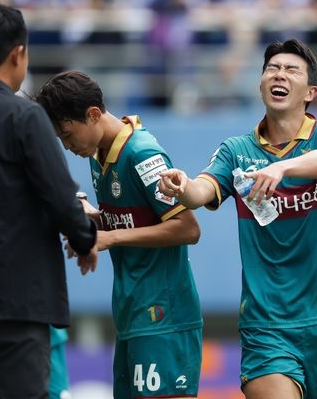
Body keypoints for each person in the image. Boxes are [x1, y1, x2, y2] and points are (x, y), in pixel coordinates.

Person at [158, 38, 317, 399]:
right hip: (266, 324)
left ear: (310, 91)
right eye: (272, 68)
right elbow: (202, 191)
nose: (279, 75)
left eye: (291, 70)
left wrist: (282, 167)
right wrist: (183, 186)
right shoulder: (236, 151)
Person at [0, 4, 97, 399]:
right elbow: (61, 197)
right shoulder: (24, 116)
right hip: (16, 304)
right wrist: (84, 240)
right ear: (18, 54)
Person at [35, 70, 203, 399]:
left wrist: (108, 238)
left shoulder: (142, 154)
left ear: (93, 114)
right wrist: (93, 224)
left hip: (163, 313)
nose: (68, 147)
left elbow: (188, 227)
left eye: (68, 136)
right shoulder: (98, 155)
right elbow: (130, 219)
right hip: (131, 312)